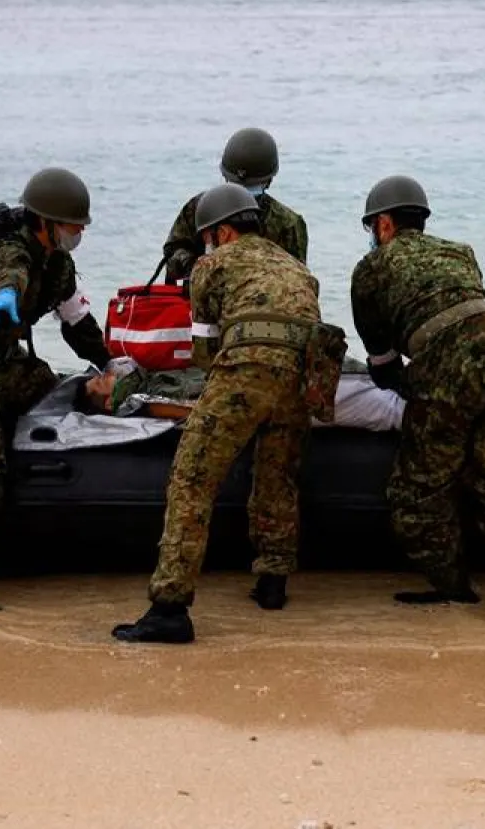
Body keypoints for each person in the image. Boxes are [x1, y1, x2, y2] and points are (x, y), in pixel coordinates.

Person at [113, 183, 325, 644]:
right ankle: (272, 581)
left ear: (222, 232)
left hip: (246, 369)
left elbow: (206, 351)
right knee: (277, 475)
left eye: (209, 236)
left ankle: (170, 606)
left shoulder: (212, 264)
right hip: (300, 380)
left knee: (192, 478)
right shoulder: (297, 268)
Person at [350, 174, 485, 622]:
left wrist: (415, 402)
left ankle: (452, 586)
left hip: (447, 361)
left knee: (416, 490)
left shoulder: (372, 270)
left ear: (383, 224)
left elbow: (382, 363)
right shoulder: (460, 251)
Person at [0, 168, 113, 614]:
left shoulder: (57, 263)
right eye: (75, 224)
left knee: (55, 388)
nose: (80, 231)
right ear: (47, 222)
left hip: (6, 360)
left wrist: (109, 361)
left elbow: (75, 320)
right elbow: (8, 275)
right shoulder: (10, 251)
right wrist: (6, 297)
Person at [161, 127, 309, 282]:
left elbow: (296, 279)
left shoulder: (287, 224)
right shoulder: (199, 207)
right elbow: (172, 255)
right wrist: (196, 267)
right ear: (269, 180)